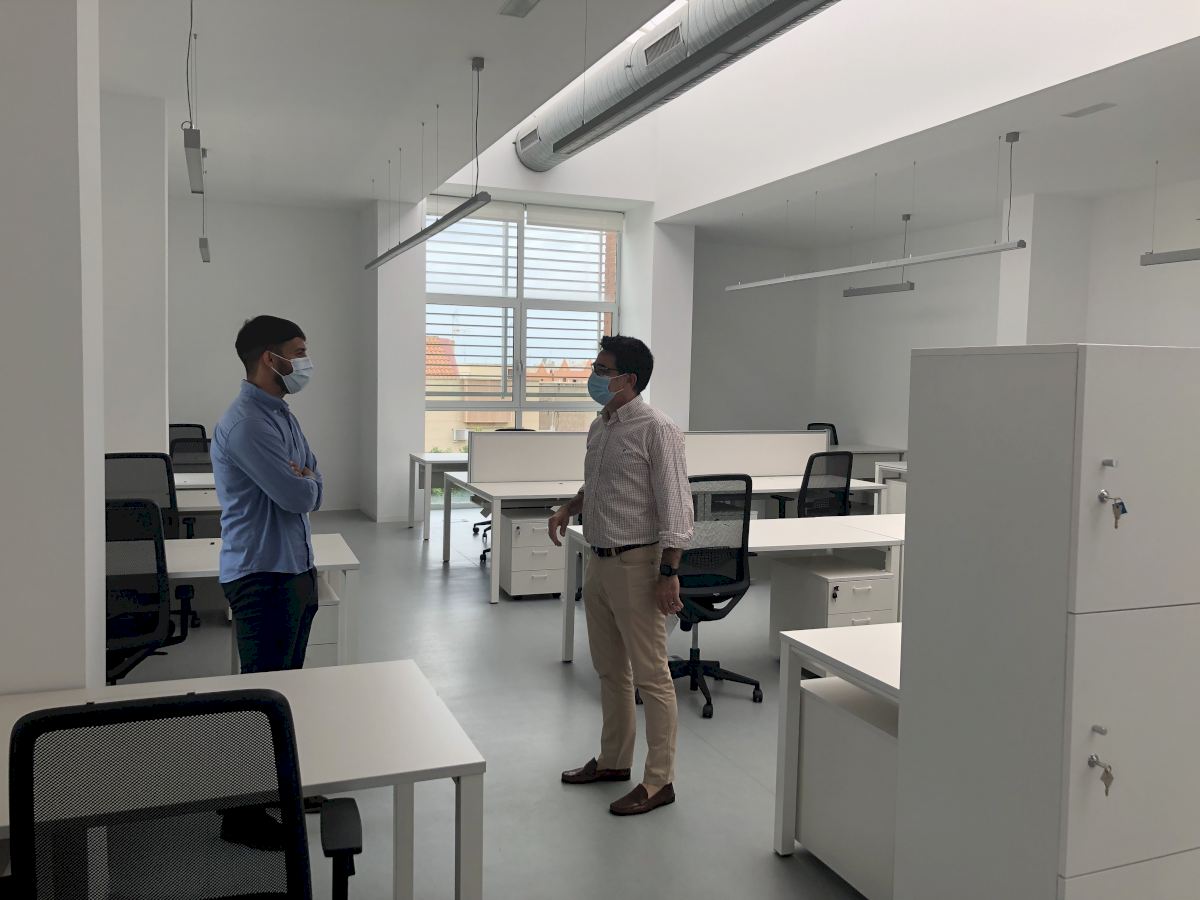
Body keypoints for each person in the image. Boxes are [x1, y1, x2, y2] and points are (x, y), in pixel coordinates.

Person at [550, 334, 693, 817]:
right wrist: (569, 507)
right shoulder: (602, 425)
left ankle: (659, 781)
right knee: (610, 669)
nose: (593, 375)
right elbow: (599, 484)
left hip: (639, 564)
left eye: (601, 369)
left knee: (652, 677)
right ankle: (613, 760)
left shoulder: (658, 429)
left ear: (628, 379)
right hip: (599, 559)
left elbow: (677, 509)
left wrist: (669, 571)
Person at [212, 315, 322, 674]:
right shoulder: (249, 424)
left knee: (291, 680)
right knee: (265, 689)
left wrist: (308, 480)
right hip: (262, 579)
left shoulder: (281, 415)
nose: (306, 362)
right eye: (299, 353)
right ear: (270, 359)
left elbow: (314, 477)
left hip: (296, 568)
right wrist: (307, 482)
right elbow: (299, 498)